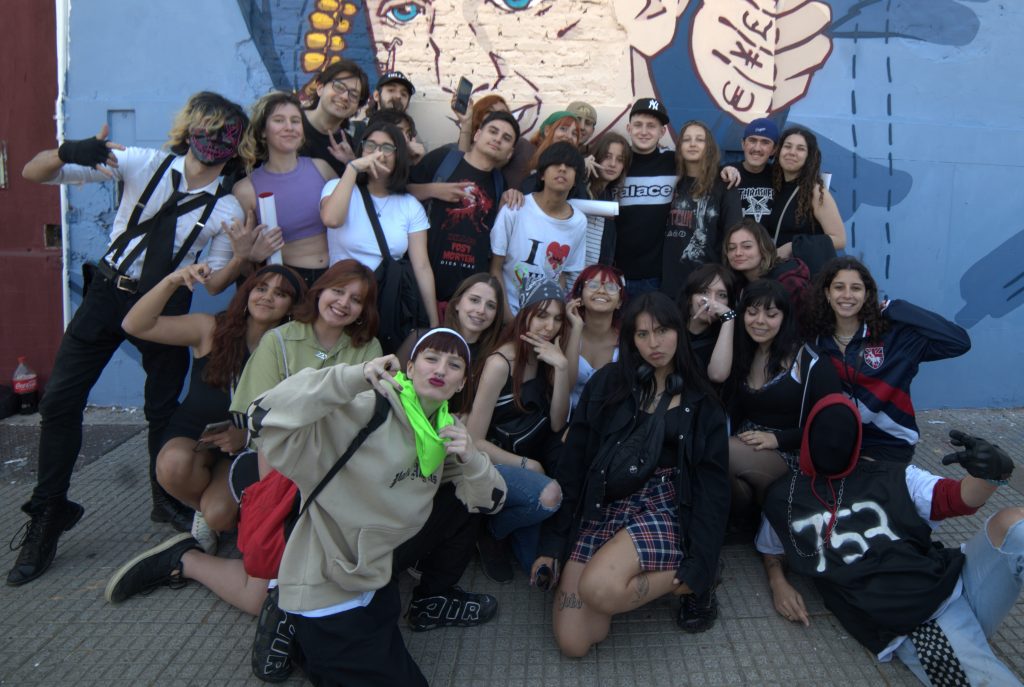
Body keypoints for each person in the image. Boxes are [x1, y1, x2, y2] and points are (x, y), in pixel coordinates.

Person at [8, 92, 262, 587]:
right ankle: (49, 511)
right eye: (207, 128)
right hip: (108, 293)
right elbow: (31, 173)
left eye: (226, 134)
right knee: (59, 401)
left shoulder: (227, 204)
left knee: (162, 407)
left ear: (238, 145)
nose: (214, 140)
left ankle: (162, 498)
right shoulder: (142, 163)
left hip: (166, 304)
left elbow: (213, 284)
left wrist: (240, 257)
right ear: (189, 128)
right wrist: (67, 151)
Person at [757, 396, 1024, 686]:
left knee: (1014, 524)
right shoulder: (785, 497)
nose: (833, 442)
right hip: (920, 620)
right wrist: (778, 583)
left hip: (952, 577)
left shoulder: (893, 475)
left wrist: (990, 474)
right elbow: (772, 550)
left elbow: (954, 498)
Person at [536, 291, 730, 657]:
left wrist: (701, 563)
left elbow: (712, 489)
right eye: (642, 334)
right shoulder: (609, 384)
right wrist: (551, 545)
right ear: (631, 340)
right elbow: (573, 465)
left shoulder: (702, 403)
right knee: (575, 642)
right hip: (607, 497)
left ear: (679, 332)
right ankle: (619, 568)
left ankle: (700, 579)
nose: (654, 344)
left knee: (600, 589)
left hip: (665, 503)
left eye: (662, 331)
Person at [121, 263, 304, 553]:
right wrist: (171, 281)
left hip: (246, 445)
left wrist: (246, 437)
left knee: (219, 515)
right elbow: (135, 325)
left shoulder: (292, 347)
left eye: (280, 294)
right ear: (247, 292)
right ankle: (202, 508)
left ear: (292, 306)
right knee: (171, 465)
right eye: (261, 288)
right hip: (197, 433)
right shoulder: (211, 328)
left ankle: (219, 511)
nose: (267, 297)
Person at [804, 257, 971, 463]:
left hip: (888, 444)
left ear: (867, 295)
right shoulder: (816, 339)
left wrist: (897, 307)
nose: (847, 295)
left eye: (856, 288)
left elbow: (959, 342)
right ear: (827, 293)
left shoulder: (894, 337)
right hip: (837, 442)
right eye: (839, 287)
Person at [467, 280, 577, 581]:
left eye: (557, 319)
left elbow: (557, 423)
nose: (549, 327)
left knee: (537, 565)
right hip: (497, 461)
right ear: (524, 314)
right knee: (549, 498)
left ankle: (518, 521)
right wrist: (528, 465)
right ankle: (492, 531)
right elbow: (474, 440)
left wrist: (561, 368)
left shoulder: (546, 356)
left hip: (532, 454)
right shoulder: (500, 363)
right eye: (541, 315)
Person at [725, 279, 841, 529]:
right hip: (745, 443)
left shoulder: (809, 361)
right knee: (724, 475)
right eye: (752, 312)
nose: (760, 321)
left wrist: (778, 439)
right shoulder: (744, 351)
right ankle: (753, 522)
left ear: (785, 318)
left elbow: (832, 426)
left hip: (790, 451)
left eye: (771, 314)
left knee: (716, 450)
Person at [320, 120, 439, 328]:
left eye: (387, 148)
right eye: (371, 145)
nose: (378, 153)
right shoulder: (337, 187)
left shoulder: (410, 206)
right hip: (340, 300)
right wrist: (353, 168)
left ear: (399, 155)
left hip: (384, 303)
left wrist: (433, 323)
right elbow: (332, 219)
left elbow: (421, 266)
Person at [409, 110, 519, 304]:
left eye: (506, 138)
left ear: (510, 152)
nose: (498, 139)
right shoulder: (444, 159)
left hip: (469, 296)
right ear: (477, 135)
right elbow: (400, 192)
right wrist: (434, 190)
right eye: (493, 131)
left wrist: (510, 200)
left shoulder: (500, 183)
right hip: (424, 282)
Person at [234, 91, 336, 287]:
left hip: (334, 279)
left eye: (295, 121)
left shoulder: (322, 169)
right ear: (263, 131)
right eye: (279, 120)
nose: (289, 127)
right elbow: (242, 268)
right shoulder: (245, 190)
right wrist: (253, 256)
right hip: (287, 285)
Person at [491, 142, 588, 320]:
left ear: (576, 179)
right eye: (556, 163)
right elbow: (495, 268)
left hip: (543, 320)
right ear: (542, 174)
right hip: (505, 312)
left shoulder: (579, 222)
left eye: (570, 166)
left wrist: (550, 316)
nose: (562, 169)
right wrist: (508, 319)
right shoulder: (515, 208)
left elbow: (561, 275)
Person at [397, 272, 506, 413]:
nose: (481, 310)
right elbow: (392, 382)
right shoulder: (421, 338)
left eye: (490, 306)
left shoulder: (494, 358)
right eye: (474, 300)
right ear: (457, 303)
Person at [662, 120, 742, 298]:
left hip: (709, 281)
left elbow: (733, 232)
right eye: (686, 139)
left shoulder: (724, 183)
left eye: (699, 139)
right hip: (671, 280)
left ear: (709, 147)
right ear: (679, 147)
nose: (692, 144)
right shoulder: (670, 181)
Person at [615, 98, 676, 297]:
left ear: (662, 131)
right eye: (638, 125)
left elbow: (704, 169)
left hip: (655, 277)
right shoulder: (615, 163)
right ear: (629, 128)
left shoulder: (674, 162)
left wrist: (727, 170)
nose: (644, 131)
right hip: (613, 272)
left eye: (651, 126)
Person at [767, 126, 846, 268]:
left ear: (809, 156)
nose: (792, 152)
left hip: (805, 275)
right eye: (787, 146)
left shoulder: (816, 192)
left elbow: (840, 240)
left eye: (800, 149)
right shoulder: (774, 186)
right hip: (777, 272)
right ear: (778, 151)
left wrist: (793, 246)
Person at [567, 265, 625, 412]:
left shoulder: (626, 342)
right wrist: (576, 329)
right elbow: (566, 386)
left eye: (611, 287)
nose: (601, 291)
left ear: (619, 302)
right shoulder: (565, 333)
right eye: (593, 285)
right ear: (580, 297)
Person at [723, 218, 810, 314]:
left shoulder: (787, 281)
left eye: (747, 246)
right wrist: (725, 316)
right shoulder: (736, 284)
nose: (738, 253)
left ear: (763, 248)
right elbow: (737, 319)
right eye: (732, 248)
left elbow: (804, 319)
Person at [299, 58, 369, 176]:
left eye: (354, 95)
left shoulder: (349, 146)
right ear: (320, 88)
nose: (345, 97)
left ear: (357, 107)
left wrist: (351, 163)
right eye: (339, 87)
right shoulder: (291, 123)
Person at [678, 264, 737, 384]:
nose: (712, 302)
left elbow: (717, 375)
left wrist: (729, 318)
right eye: (704, 292)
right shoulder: (672, 327)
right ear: (690, 297)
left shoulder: (729, 336)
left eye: (722, 295)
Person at [583, 132, 631, 267]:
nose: (613, 164)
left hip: (593, 276)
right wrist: (580, 168)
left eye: (620, 160)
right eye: (607, 157)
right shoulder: (578, 186)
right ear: (596, 156)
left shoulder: (610, 197)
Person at [720, 117, 779, 223]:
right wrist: (721, 172)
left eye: (765, 142)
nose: (757, 148)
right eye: (752, 140)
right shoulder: (725, 174)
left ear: (774, 149)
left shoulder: (779, 177)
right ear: (743, 144)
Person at [518, 112, 585, 196]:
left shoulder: (576, 170)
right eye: (563, 129)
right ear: (547, 131)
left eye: (574, 133)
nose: (569, 136)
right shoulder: (527, 155)